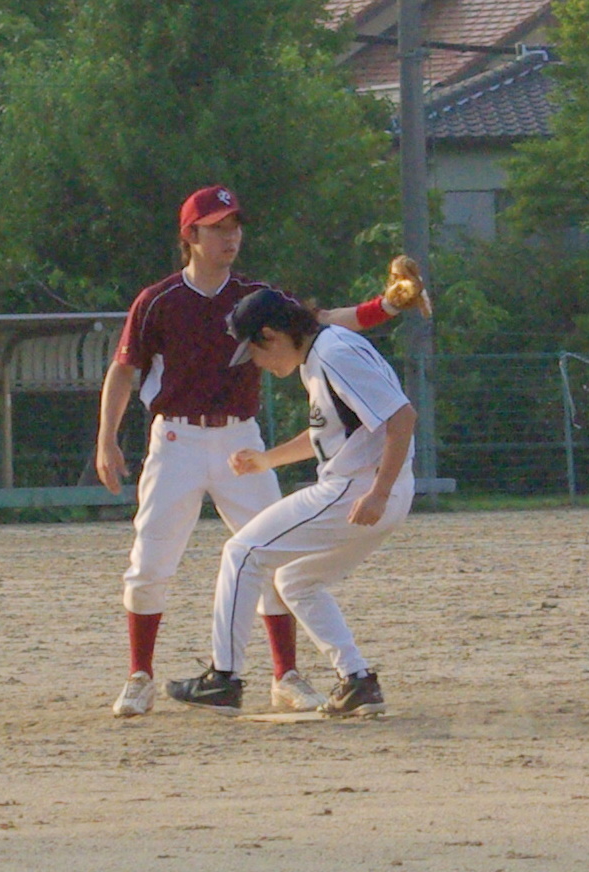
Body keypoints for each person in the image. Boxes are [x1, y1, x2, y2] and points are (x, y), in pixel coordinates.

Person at [95, 186, 404, 719]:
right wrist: (106, 438)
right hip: (176, 440)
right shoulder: (159, 299)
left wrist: (387, 306)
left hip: (241, 437)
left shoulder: (256, 298)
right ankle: (140, 675)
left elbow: (321, 319)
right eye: (217, 226)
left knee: (270, 553)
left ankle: (284, 675)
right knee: (151, 561)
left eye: (235, 225)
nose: (230, 235)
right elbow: (124, 370)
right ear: (190, 235)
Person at [166, 289, 414, 718]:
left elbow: (402, 417)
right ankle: (357, 680)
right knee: (296, 581)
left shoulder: (334, 353)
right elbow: (331, 434)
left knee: (242, 552)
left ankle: (223, 679)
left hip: (357, 489)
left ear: (271, 334)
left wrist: (378, 491)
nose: (257, 364)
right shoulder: (322, 353)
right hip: (372, 489)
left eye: (255, 351)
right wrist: (266, 460)